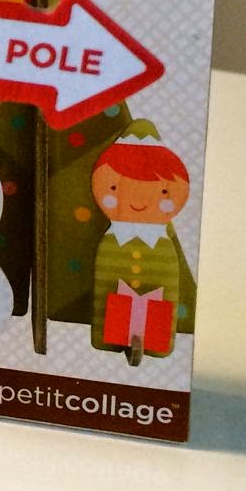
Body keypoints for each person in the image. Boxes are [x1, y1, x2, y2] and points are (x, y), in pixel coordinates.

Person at [90, 119, 191, 361]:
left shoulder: (163, 249)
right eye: (116, 187)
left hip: (155, 329)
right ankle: (113, 339)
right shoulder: (110, 244)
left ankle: (153, 342)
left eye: (162, 191)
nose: (139, 200)